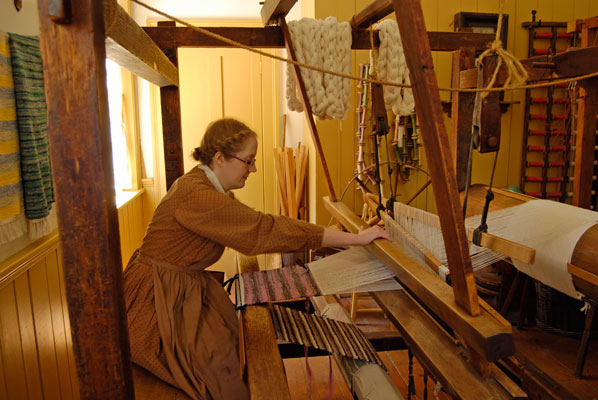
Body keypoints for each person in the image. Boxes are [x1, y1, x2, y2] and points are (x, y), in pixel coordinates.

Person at [123, 118, 389, 400]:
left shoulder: (204, 185)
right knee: (217, 377)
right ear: (220, 158)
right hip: (157, 302)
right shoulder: (198, 195)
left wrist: (341, 237)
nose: (254, 169)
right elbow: (264, 229)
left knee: (226, 353)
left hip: (171, 288)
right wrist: (355, 239)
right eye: (248, 161)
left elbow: (255, 225)